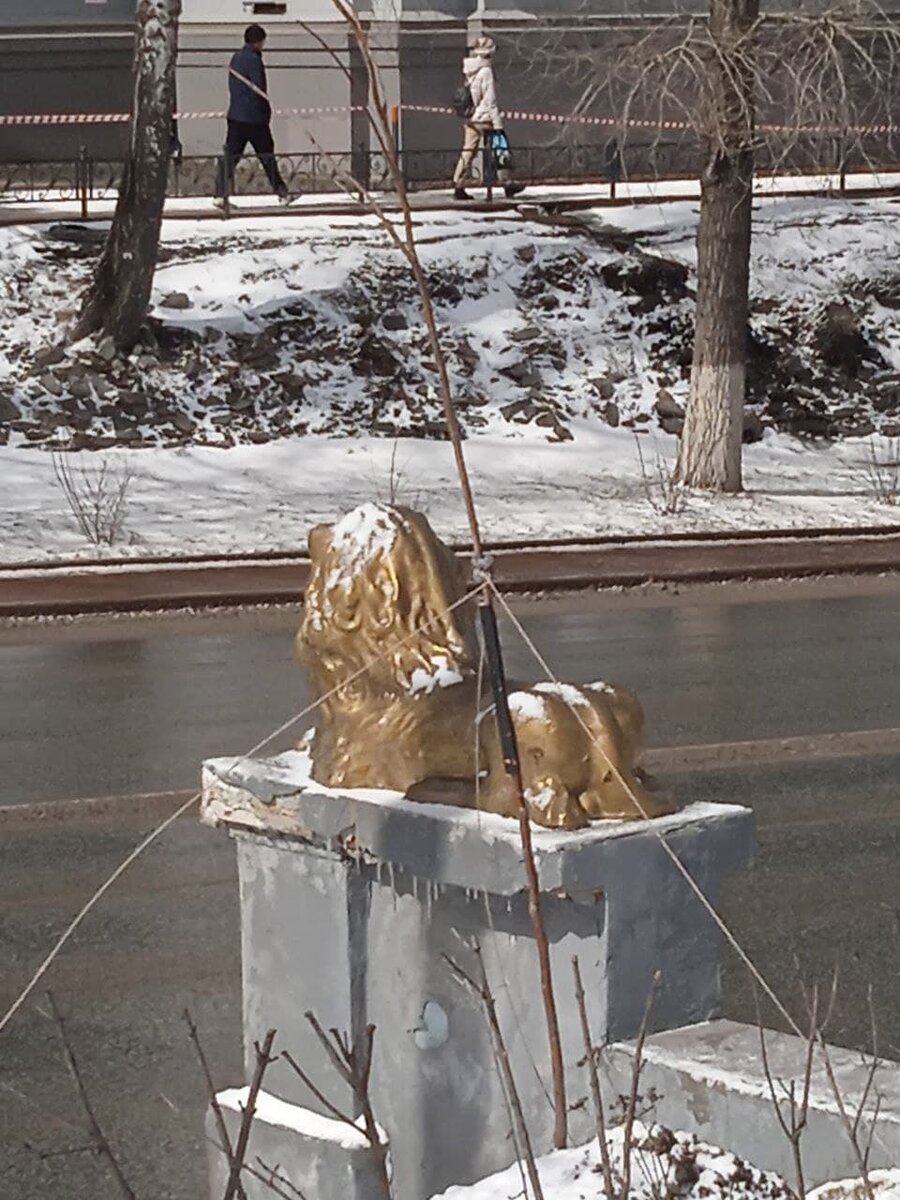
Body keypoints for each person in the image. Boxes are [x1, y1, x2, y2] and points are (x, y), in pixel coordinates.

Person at [214, 23, 291, 205]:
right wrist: (266, 111)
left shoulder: (236, 58)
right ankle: (282, 192)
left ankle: (219, 193)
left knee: (231, 156)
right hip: (255, 119)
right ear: (259, 41)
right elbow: (259, 89)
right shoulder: (254, 60)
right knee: (266, 156)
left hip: (235, 116)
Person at [452, 36, 524, 202]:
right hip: (485, 118)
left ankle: (458, 184)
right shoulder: (486, 72)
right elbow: (490, 100)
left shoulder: (471, 70)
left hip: (472, 118)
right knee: (500, 147)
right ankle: (507, 183)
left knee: (468, 151)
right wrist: (498, 123)